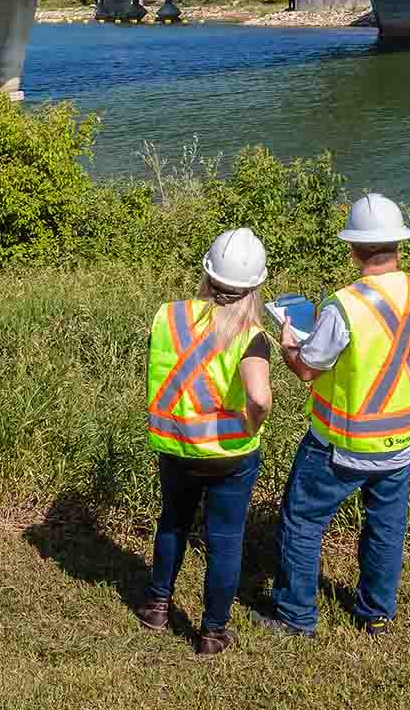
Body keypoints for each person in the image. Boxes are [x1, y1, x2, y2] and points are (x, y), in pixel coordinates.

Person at [262, 193, 410, 638]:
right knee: (385, 526)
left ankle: (296, 617)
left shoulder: (344, 305)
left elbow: (308, 368)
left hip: (342, 443)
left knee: (303, 521)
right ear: (399, 244)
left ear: (354, 249)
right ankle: (376, 614)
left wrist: (289, 344)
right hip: (403, 438)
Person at [134, 227, 275, 657]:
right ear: (254, 286)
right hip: (229, 455)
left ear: (208, 274)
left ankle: (157, 606)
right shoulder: (251, 334)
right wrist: (251, 423)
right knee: (225, 540)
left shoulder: (168, 314)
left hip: (174, 444)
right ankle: (212, 632)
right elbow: (260, 397)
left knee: (173, 522)